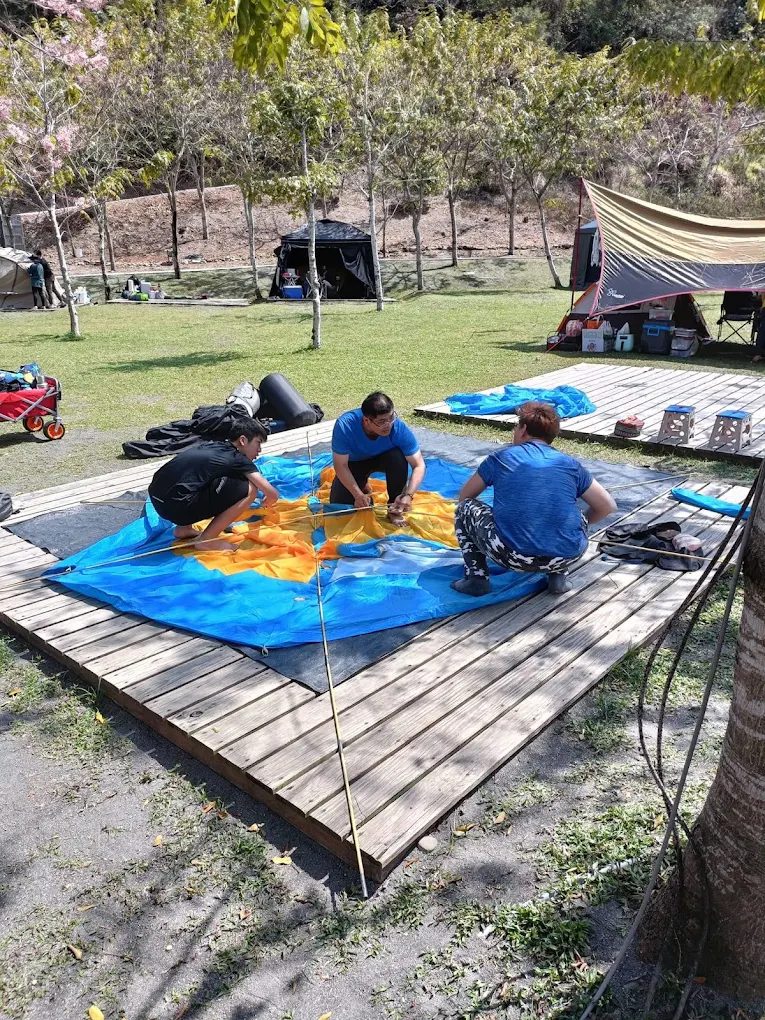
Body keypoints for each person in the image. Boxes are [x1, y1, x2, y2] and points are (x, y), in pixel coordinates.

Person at [451, 401, 616, 596]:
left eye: (516, 426)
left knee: (465, 509)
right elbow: (607, 506)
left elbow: (465, 497)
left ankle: (476, 579)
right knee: (574, 514)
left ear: (523, 429)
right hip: (568, 555)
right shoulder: (570, 464)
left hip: (512, 556)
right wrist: (581, 523)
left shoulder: (501, 458)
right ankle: (558, 577)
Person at [148, 418, 279, 551]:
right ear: (243, 440)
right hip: (178, 509)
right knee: (251, 489)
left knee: (201, 478)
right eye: (258, 443)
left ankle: (184, 529)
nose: (260, 450)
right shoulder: (238, 458)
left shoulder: (214, 445)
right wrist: (269, 500)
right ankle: (207, 540)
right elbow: (271, 493)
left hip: (157, 499)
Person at [330, 391, 426, 526]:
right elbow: (340, 465)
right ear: (366, 420)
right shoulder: (345, 425)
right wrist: (357, 495)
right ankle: (362, 487)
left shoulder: (398, 427)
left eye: (391, 417)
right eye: (381, 421)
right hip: (355, 463)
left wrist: (408, 495)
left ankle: (395, 507)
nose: (388, 425)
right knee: (340, 509)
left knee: (397, 457)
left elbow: (419, 465)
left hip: (386, 459)